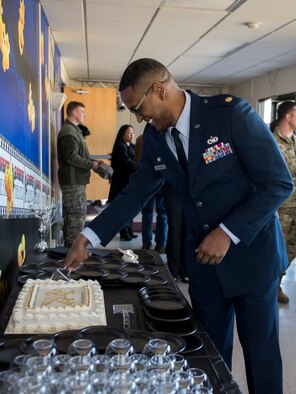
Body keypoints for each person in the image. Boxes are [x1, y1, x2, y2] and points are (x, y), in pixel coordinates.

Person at [64, 58, 293, 394]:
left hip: (253, 260)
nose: (139, 118)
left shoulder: (230, 114)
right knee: (206, 359)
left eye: (138, 108)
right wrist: (88, 235)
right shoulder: (156, 138)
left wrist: (227, 233)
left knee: (261, 358)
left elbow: (278, 183)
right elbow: (134, 195)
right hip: (204, 267)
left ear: (159, 89)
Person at [57, 101, 101, 247]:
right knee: (76, 217)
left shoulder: (74, 130)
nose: (84, 115)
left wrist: (92, 161)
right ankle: (72, 254)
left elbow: (76, 154)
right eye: (82, 112)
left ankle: (69, 253)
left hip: (75, 181)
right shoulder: (69, 132)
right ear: (74, 113)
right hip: (73, 181)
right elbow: (71, 157)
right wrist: (91, 164)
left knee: (73, 217)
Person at [270, 101, 296, 304]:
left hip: (295, 206)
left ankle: (277, 280)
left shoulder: (293, 141)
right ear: (289, 116)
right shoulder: (271, 141)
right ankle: (271, 286)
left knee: (291, 250)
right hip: (281, 208)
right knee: (277, 250)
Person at [135, 133, 168, 252]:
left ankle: (146, 243)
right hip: (161, 182)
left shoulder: (140, 139)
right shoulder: (163, 136)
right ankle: (161, 244)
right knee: (162, 214)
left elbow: (137, 161)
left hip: (145, 183)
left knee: (147, 214)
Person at [108, 124, 137, 241]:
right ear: (123, 135)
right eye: (129, 132)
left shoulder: (133, 146)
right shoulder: (120, 147)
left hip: (129, 182)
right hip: (121, 183)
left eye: (132, 132)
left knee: (129, 208)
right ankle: (124, 232)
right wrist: (139, 167)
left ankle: (129, 229)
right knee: (123, 208)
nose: (132, 134)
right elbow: (128, 163)